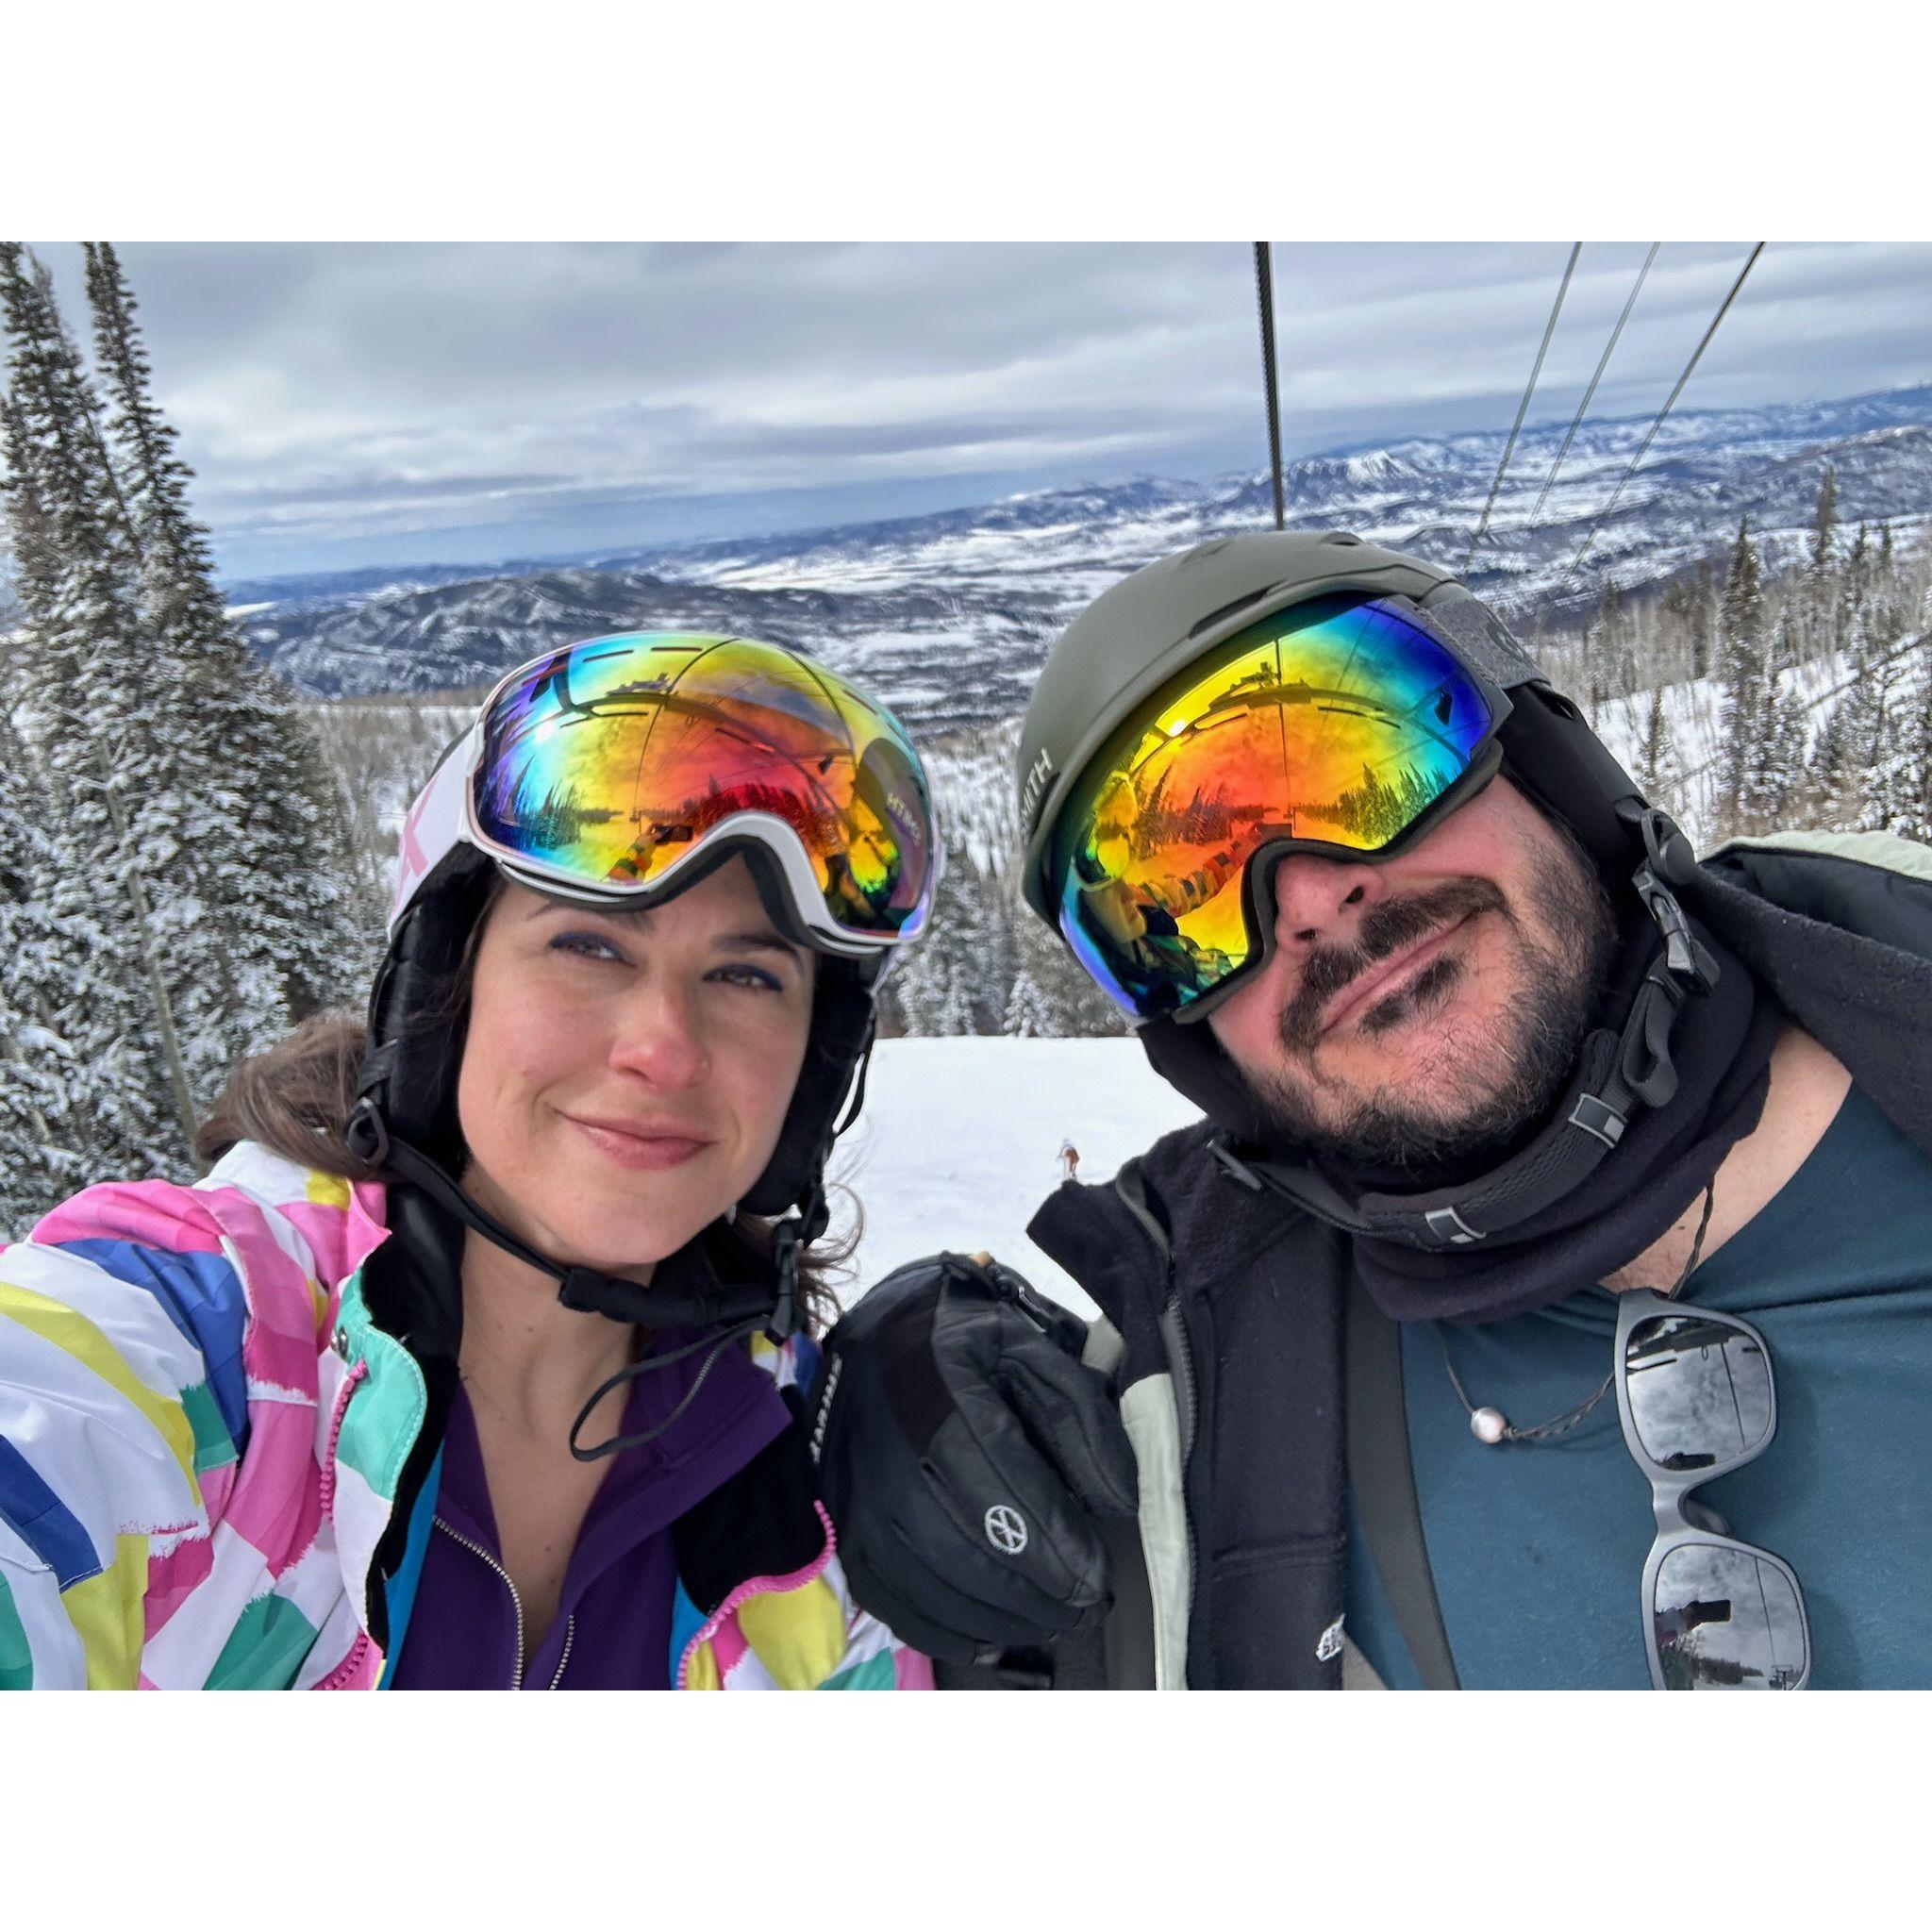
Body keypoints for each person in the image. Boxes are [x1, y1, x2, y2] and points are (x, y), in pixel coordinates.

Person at [809, 531, 1932, 1690]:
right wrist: (899, 1405)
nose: (1307, 897)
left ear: (1539, 762)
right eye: (1187, 904)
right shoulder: (1201, 1382)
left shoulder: (1896, 988)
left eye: (1366, 771)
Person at [0, 630, 939, 1690]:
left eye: (747, 976)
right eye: (590, 945)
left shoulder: (798, 1484)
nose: (665, 1048)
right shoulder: (217, 1357)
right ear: (445, 988)